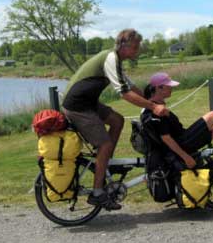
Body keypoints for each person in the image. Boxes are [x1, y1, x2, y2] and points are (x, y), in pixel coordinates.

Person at [62, 29, 168, 210]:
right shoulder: (110, 58)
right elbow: (124, 93)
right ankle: (97, 193)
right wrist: (153, 107)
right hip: (77, 106)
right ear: (123, 45)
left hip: (88, 102)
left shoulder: (116, 60)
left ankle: (105, 166)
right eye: (135, 47)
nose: (137, 50)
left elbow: (131, 85)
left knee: (117, 121)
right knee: (104, 144)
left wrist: (151, 100)